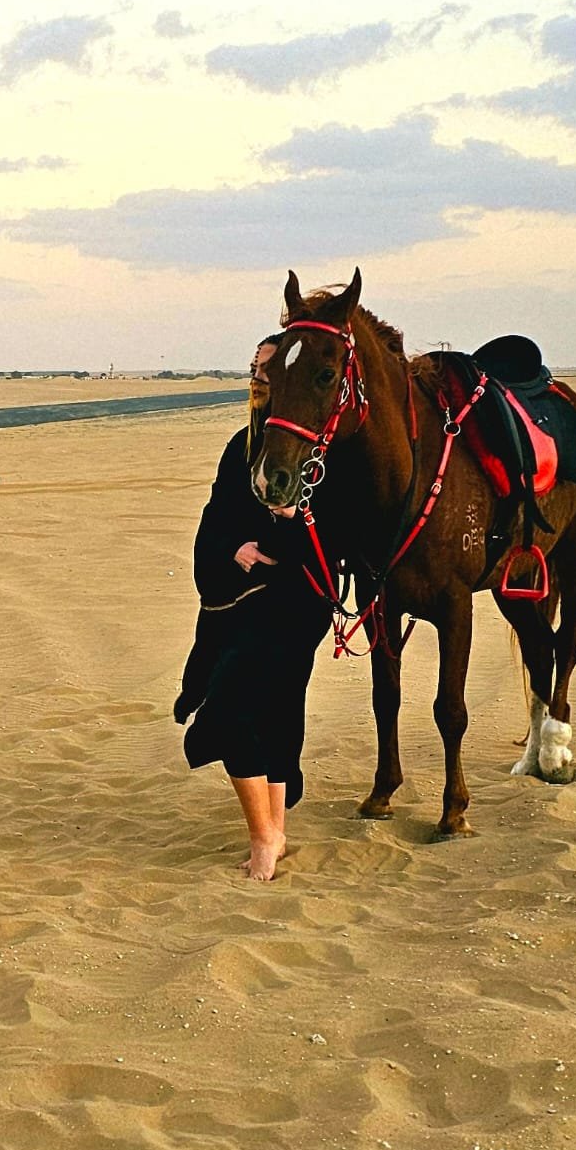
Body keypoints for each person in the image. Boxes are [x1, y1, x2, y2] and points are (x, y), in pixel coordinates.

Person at [174, 335, 332, 881]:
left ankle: (266, 837)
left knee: (245, 713)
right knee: (258, 712)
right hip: (236, 603)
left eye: (270, 368)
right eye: (255, 368)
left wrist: (295, 523)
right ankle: (275, 833)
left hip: (296, 604)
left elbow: (334, 538)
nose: (260, 377)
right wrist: (231, 548)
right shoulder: (242, 443)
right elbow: (216, 517)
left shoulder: (322, 449)